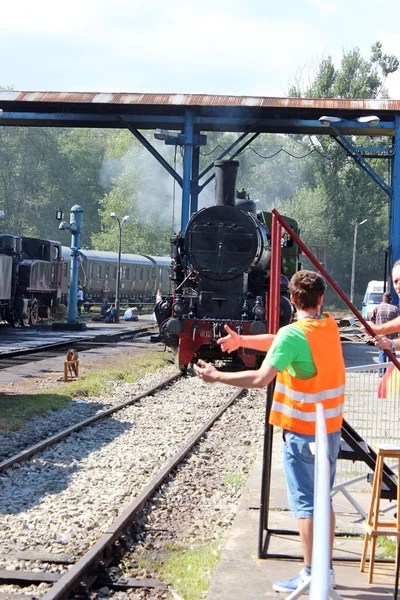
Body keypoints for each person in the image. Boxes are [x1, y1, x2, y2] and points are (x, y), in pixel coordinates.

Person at [193, 270, 345, 593]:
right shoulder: (328, 326)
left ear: (291, 300)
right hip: (330, 431)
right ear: (321, 300)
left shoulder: (293, 336)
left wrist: (218, 377)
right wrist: (243, 341)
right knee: (324, 502)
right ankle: (326, 570)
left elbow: (262, 377)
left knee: (306, 505)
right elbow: (281, 340)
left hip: (303, 434)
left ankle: (309, 572)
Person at [370, 291, 399, 376]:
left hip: (380, 335)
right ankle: (390, 373)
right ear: (390, 299)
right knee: (392, 354)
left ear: (383, 298)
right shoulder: (395, 308)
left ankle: (381, 372)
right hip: (392, 336)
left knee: (382, 353)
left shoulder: (377, 308)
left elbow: (372, 320)